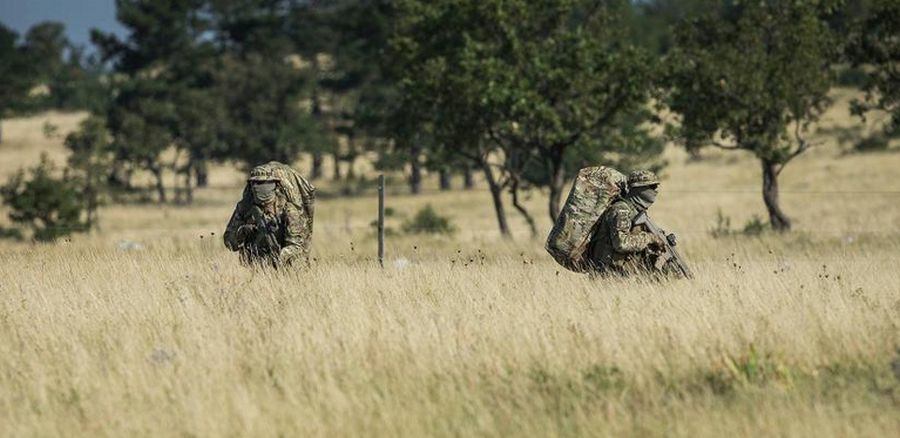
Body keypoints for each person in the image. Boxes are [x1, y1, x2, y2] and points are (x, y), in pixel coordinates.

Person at [224, 163, 313, 268]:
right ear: (251, 185)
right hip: (255, 264)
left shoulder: (288, 209)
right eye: (256, 183)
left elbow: (296, 245)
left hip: (286, 264)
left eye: (266, 183)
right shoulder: (245, 208)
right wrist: (242, 233)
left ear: (275, 185)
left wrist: (278, 258)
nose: (260, 187)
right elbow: (230, 243)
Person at [586, 170, 672, 276]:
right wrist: (650, 238)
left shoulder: (636, 211)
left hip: (623, 274)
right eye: (651, 187)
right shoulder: (621, 210)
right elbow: (621, 243)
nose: (655, 191)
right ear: (638, 189)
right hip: (608, 274)